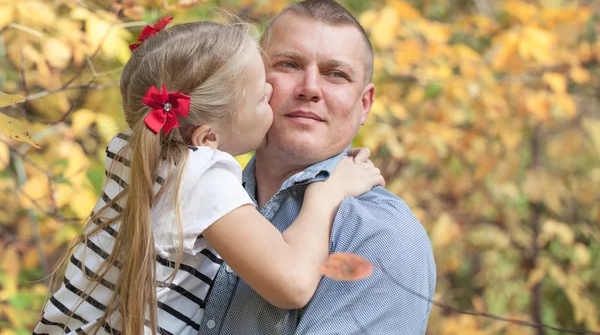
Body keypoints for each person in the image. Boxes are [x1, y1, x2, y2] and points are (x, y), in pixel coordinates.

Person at [33, 18, 384, 335]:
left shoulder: (128, 149)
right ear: (207, 139)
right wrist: (326, 194)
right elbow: (292, 284)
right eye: (262, 97)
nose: (273, 96)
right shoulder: (201, 175)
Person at [198, 0, 437, 334]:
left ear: (364, 104)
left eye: (336, 74)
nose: (310, 88)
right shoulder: (195, 185)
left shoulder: (382, 237)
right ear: (253, 81)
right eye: (289, 65)